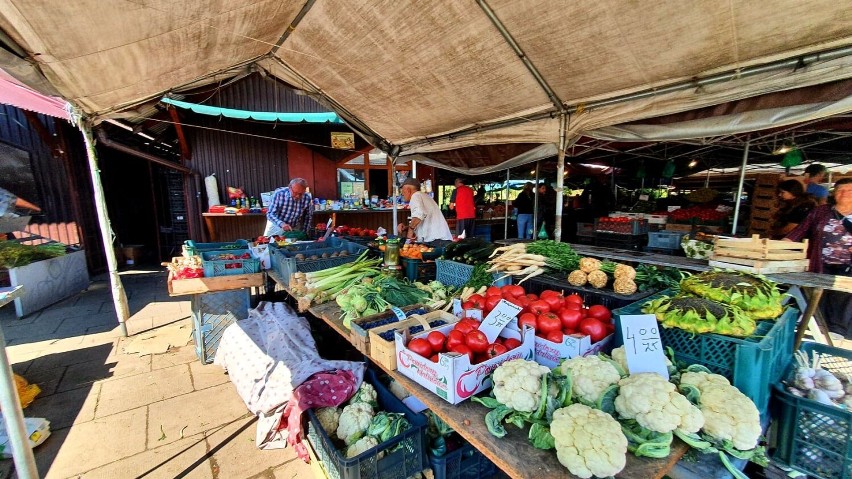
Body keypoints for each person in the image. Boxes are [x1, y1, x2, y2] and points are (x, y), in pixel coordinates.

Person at [785, 178, 852, 337]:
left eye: (849, 190)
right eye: (840, 190)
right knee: (816, 298)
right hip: (820, 264)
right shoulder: (821, 211)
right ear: (834, 193)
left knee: (843, 301)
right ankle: (812, 333)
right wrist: (778, 247)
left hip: (849, 267)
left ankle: (837, 334)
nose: (844, 194)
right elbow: (800, 231)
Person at [397, 178, 452, 242]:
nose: (402, 194)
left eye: (403, 191)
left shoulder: (415, 196)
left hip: (437, 241)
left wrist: (409, 236)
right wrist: (407, 228)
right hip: (441, 239)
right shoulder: (424, 196)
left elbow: (419, 214)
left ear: (408, 190)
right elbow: (422, 217)